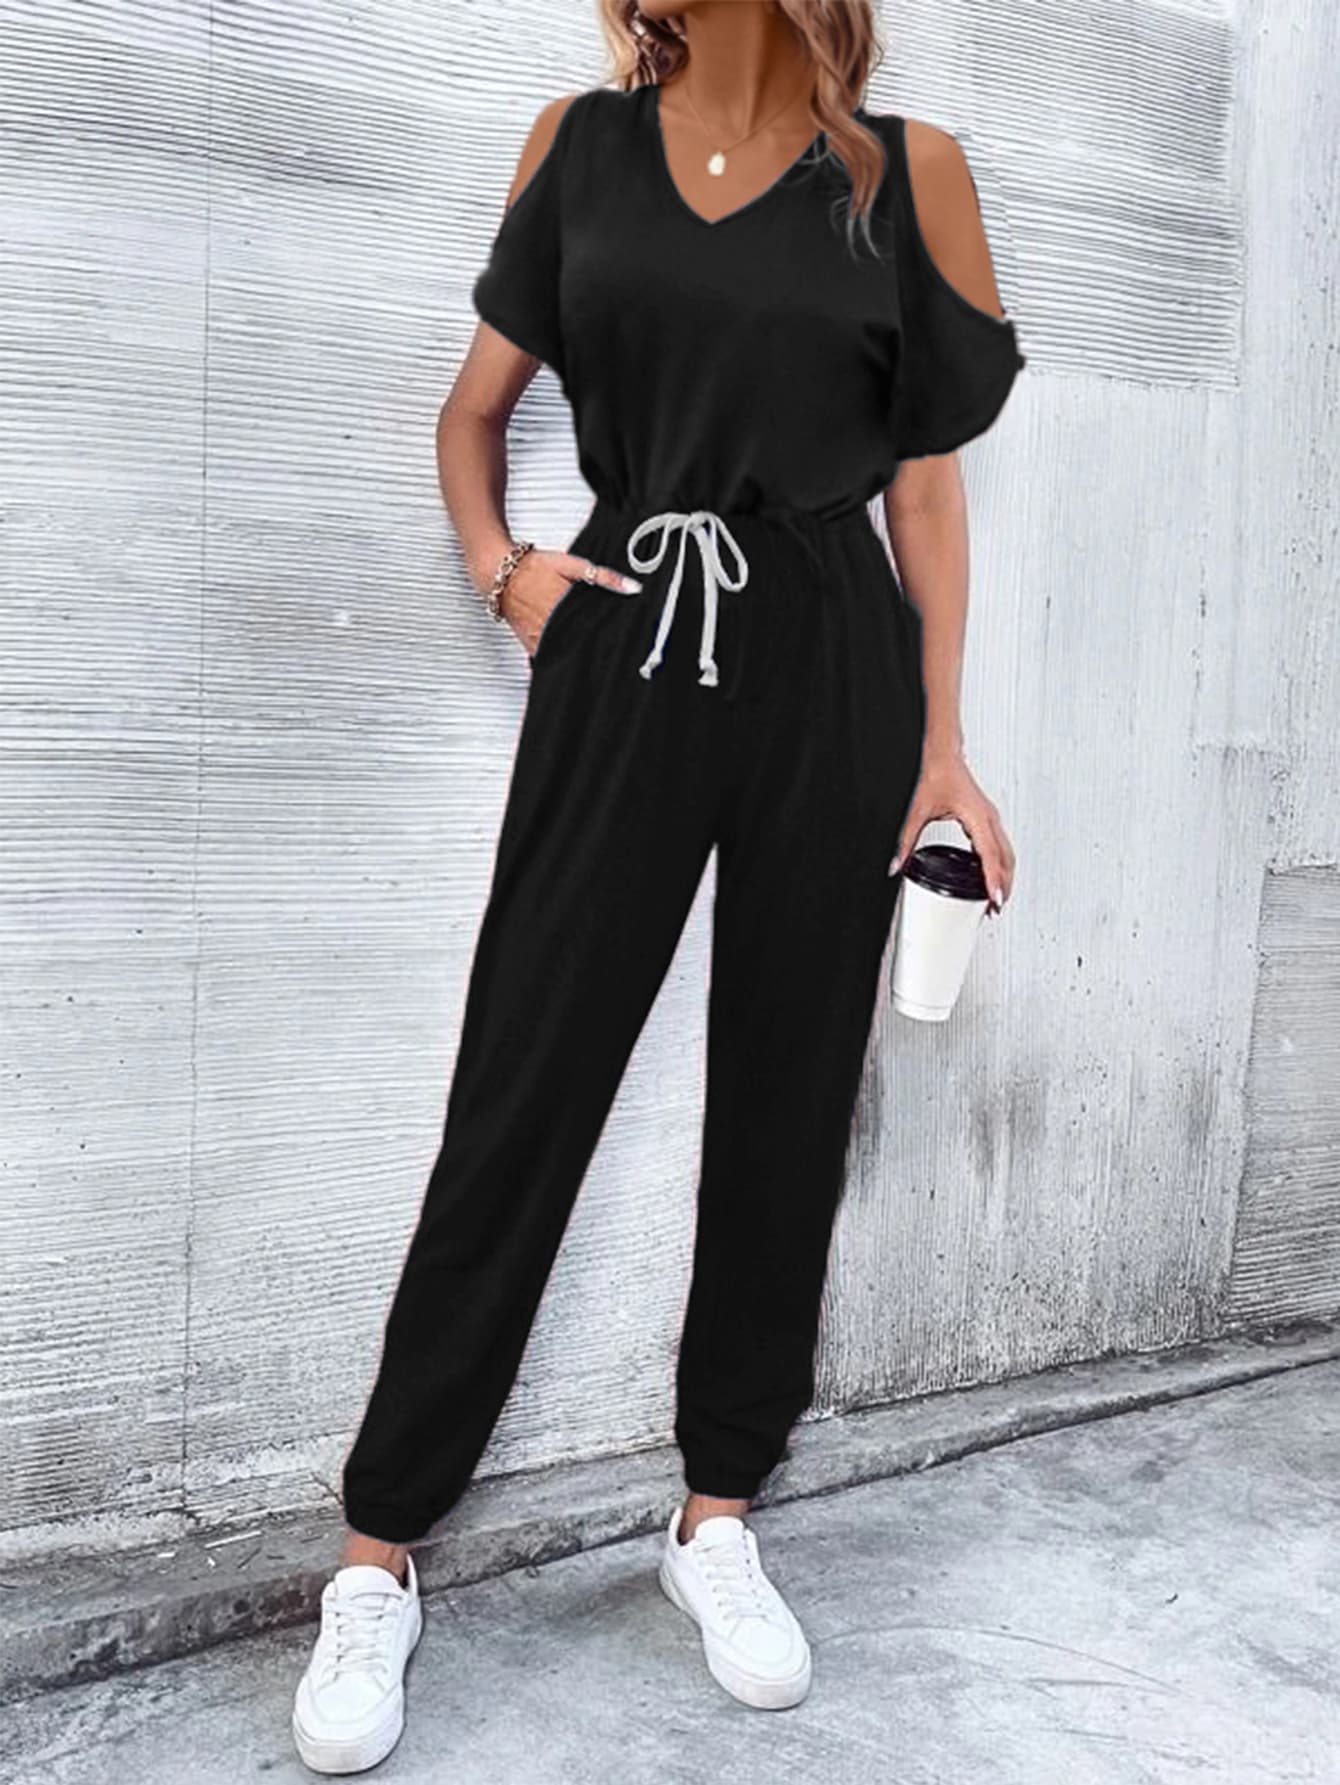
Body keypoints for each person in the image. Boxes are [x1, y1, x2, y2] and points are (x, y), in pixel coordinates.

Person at [292, 0, 1023, 1771]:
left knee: (788, 1087)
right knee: (525, 1075)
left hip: (832, 660)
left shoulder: (909, 175)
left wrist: (942, 744)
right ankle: (379, 1551)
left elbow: (924, 494)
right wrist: (507, 571)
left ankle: (717, 1514)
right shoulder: (579, 147)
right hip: (622, 645)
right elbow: (473, 413)